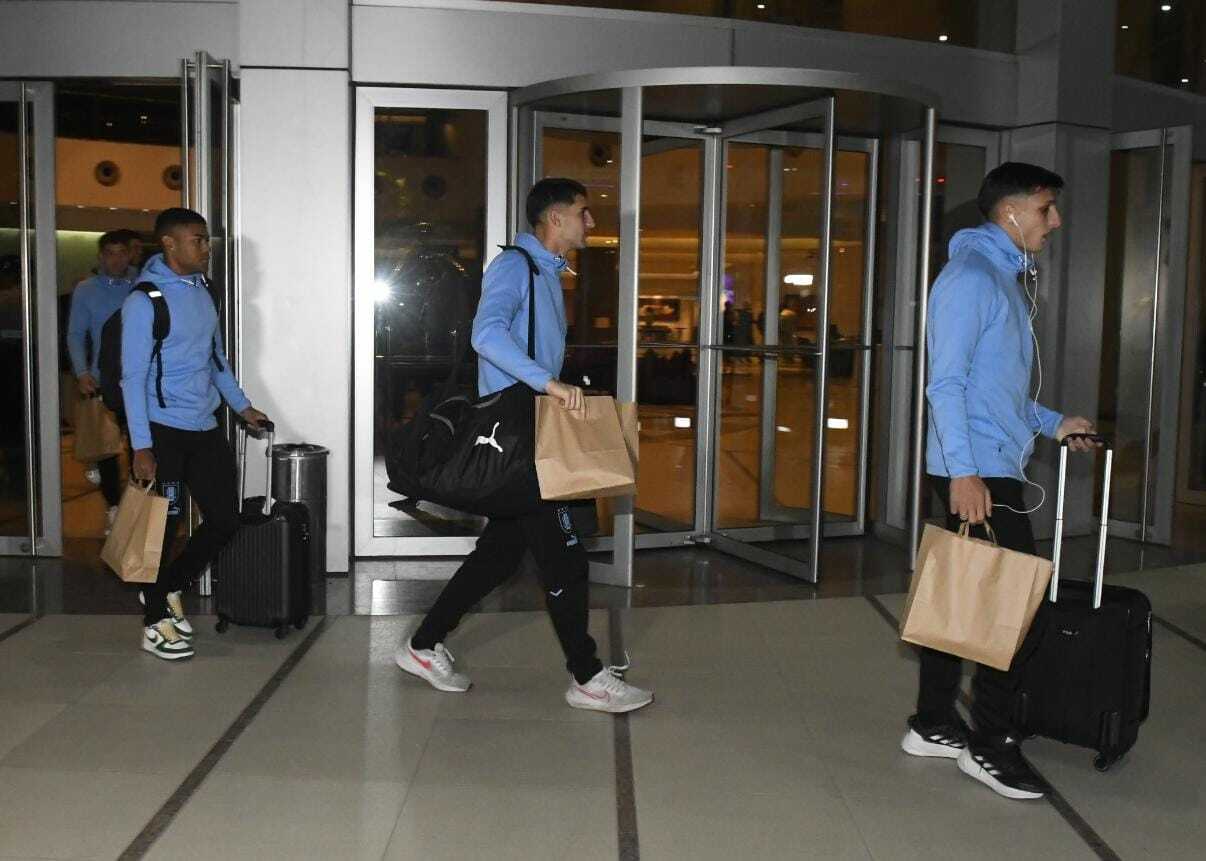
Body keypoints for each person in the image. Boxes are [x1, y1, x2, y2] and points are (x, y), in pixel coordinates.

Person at [395, 178, 654, 714]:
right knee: (565, 559)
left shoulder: (545, 273)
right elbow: (485, 335)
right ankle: (586, 676)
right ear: (554, 219)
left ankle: (423, 645)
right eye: (583, 213)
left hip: (533, 436)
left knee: (498, 556)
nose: (590, 223)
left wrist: (552, 381)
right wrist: (549, 382)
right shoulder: (516, 266)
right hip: (522, 441)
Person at [901, 162, 1098, 800]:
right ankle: (988, 745)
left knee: (964, 597)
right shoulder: (969, 280)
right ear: (1011, 212)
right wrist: (963, 473)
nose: (1055, 221)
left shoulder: (1003, 278)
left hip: (986, 460)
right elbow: (947, 385)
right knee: (1015, 608)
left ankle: (933, 723)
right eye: (1047, 209)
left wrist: (1054, 422)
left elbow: (1000, 393)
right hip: (975, 469)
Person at [122, 208, 268, 661]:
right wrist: (141, 445)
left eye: (206, 240)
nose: (206, 248)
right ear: (169, 244)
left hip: (204, 427)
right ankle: (153, 624)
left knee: (224, 520)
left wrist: (242, 407)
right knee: (159, 535)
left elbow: (215, 359)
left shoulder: (203, 291)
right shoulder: (144, 301)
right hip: (162, 433)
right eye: (198, 240)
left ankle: (163, 591)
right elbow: (131, 378)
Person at [66, 231, 136, 531]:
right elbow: (75, 334)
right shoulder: (86, 289)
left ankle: (135, 506)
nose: (117, 259)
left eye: (122, 252)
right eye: (110, 252)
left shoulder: (141, 285)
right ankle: (114, 506)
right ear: (100, 256)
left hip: (138, 378)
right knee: (106, 447)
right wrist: (82, 372)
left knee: (139, 446)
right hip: (102, 378)